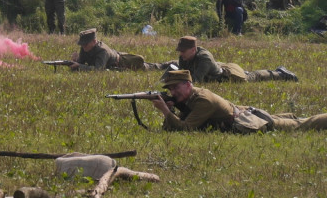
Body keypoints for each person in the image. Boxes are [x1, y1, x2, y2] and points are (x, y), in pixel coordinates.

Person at [151, 69, 327, 133]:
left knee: (301, 125)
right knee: (287, 119)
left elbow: (186, 128)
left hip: (246, 122)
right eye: (171, 89)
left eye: (176, 88)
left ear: (188, 84)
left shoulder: (203, 100)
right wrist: (172, 109)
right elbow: (172, 128)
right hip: (241, 114)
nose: (173, 92)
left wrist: (166, 112)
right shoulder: (190, 97)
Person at [173, 36, 296, 82]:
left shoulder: (204, 58)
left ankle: (281, 73)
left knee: (253, 77)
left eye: (183, 51)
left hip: (227, 77)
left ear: (193, 50)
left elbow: (195, 80)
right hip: (217, 71)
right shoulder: (183, 57)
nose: (181, 54)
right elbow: (183, 74)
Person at [69, 28, 147, 71]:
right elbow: (80, 63)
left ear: (94, 41)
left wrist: (79, 66)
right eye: (82, 44)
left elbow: (98, 69)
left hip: (122, 62)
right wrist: (75, 62)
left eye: (85, 44)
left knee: (147, 67)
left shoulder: (102, 51)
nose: (83, 46)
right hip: (111, 63)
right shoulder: (84, 48)